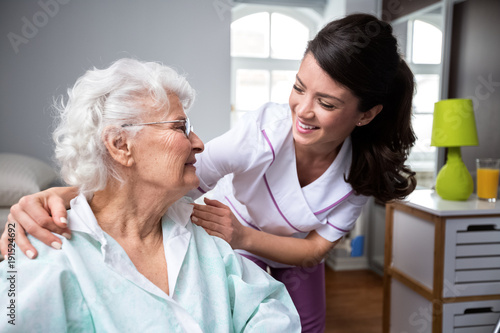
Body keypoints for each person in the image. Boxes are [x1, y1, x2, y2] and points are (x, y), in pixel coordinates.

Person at [2, 13, 416, 332]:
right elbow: (177, 175)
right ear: (120, 145)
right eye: (298, 88)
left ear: (366, 115)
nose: (302, 110)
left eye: (326, 103)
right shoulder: (38, 257)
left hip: (276, 247)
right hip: (234, 231)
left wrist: (241, 235)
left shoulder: (360, 174)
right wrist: (65, 193)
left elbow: (307, 259)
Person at [0, 58, 301, 332]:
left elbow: (270, 310)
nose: (198, 143)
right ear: (120, 145)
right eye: (180, 128)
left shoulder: (197, 227)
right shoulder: (41, 253)